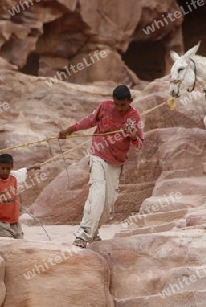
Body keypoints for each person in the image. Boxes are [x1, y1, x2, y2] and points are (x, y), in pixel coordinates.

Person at [59, 84, 144, 248]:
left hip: (116, 162)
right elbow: (90, 120)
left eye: (123, 105)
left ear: (130, 101)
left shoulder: (135, 117)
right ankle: (83, 235)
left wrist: (133, 136)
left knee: (108, 203)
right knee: (97, 193)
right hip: (98, 154)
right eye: (117, 104)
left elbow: (139, 144)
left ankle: (94, 231)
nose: (119, 108)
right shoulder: (104, 106)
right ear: (113, 101)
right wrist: (71, 129)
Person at [0, 153, 39, 239]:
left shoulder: (13, 175)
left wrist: (33, 167)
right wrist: (2, 200)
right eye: (3, 168)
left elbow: (23, 171)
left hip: (14, 220)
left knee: (20, 243)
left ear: (11, 167)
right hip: (1, 222)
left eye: (8, 169)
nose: (5, 171)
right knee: (9, 244)